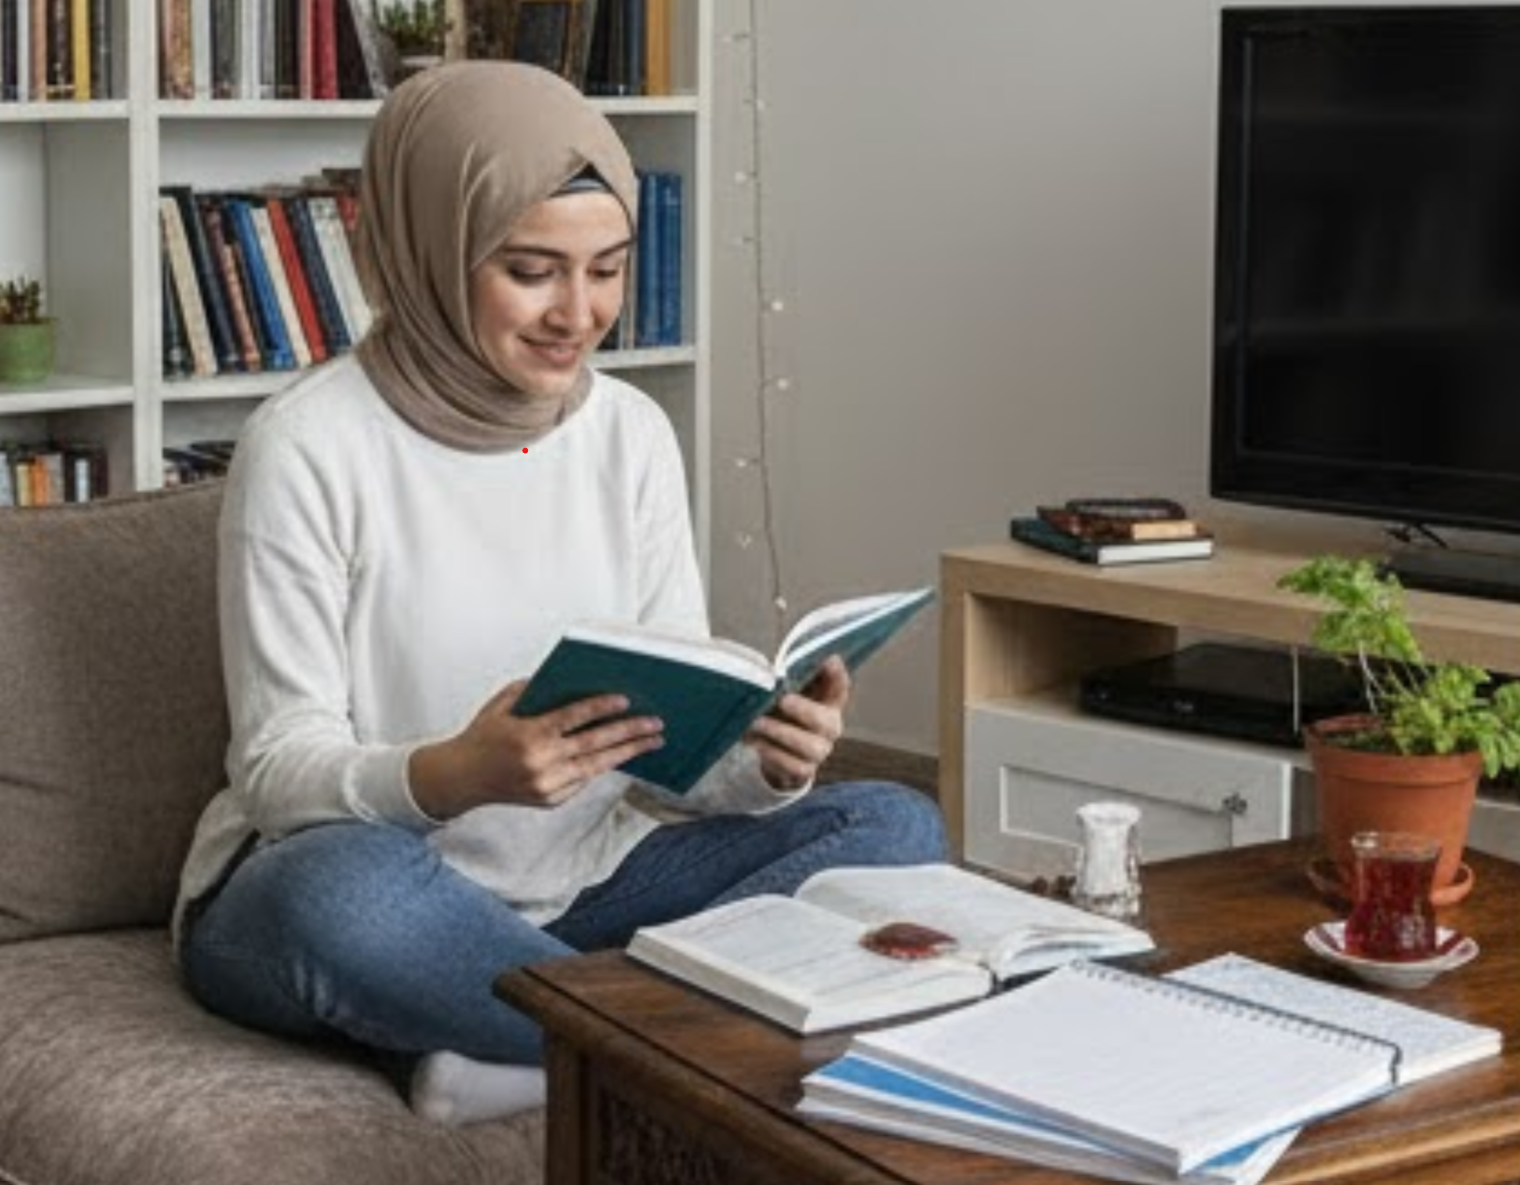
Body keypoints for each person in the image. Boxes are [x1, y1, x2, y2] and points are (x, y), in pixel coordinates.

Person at [173, 60, 947, 1126]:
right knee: (335, 897)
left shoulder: (627, 433)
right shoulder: (308, 445)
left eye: (607, 270)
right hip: (356, 884)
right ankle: (665, 1050)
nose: (577, 315)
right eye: (532, 270)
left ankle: (532, 1047)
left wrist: (759, 763)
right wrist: (452, 774)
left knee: (893, 825)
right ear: (431, 252)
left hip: (588, 887)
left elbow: (666, 756)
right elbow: (273, 771)